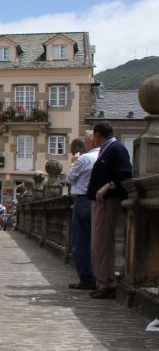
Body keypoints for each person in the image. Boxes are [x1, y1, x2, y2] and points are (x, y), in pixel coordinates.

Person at [86, 121, 132, 299]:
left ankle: (106, 283)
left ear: (98, 134)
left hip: (107, 201)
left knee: (103, 242)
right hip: (102, 201)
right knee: (99, 243)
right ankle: (103, 281)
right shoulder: (109, 149)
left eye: (93, 135)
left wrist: (107, 187)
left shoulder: (116, 149)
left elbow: (124, 174)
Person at [65, 130, 99, 291]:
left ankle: (87, 278)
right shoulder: (105, 155)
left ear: (89, 142)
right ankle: (102, 277)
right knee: (100, 241)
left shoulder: (85, 158)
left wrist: (73, 162)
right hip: (103, 201)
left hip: (84, 200)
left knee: (81, 241)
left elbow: (69, 179)